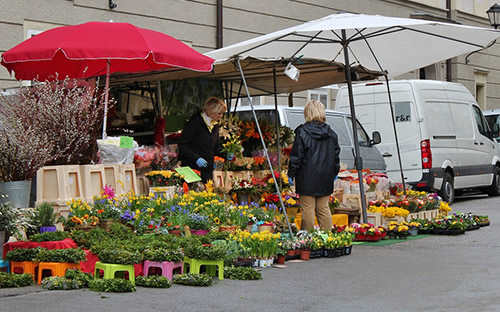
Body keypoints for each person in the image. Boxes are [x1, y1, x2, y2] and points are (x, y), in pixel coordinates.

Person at [287, 100, 341, 231]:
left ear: (307, 113)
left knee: (308, 208)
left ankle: (309, 239)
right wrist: (334, 173)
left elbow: (296, 156)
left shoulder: (302, 132)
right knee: (323, 208)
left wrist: (291, 174)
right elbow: (336, 157)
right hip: (326, 177)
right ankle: (327, 237)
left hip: (307, 177)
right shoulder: (331, 133)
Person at [179, 97, 227, 182]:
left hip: (207, 170)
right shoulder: (195, 122)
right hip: (192, 169)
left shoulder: (215, 125)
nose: (221, 116)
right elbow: (182, 145)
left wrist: (226, 154)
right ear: (211, 111)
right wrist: (196, 158)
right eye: (219, 113)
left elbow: (216, 147)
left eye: (222, 114)